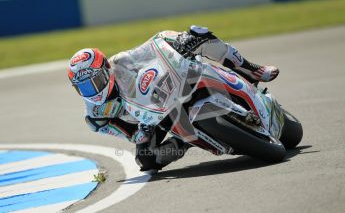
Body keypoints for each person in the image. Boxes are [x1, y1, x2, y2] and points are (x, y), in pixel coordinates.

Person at [67, 25, 279, 172]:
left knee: (200, 36)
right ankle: (184, 141)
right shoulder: (96, 117)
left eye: (95, 81)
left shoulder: (121, 63)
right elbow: (130, 136)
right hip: (150, 121)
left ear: (107, 70)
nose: (93, 90)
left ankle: (250, 70)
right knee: (147, 160)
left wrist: (178, 40)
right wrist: (141, 134)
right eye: (83, 87)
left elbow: (152, 45)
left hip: (166, 91)